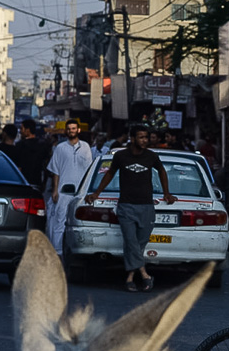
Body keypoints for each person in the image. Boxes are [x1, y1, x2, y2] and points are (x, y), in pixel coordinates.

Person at [85, 125, 176, 291]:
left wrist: (167, 193)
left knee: (139, 243)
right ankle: (145, 275)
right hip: (126, 206)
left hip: (147, 207)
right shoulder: (120, 156)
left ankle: (130, 277)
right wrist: (97, 193)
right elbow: (110, 174)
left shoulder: (151, 156)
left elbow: (162, 171)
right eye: (141, 137)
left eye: (146, 137)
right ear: (132, 139)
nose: (144, 141)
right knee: (131, 241)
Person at [45, 120, 94, 255]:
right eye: (69, 128)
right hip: (63, 192)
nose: (71, 130)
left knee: (79, 223)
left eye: (74, 128)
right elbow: (56, 170)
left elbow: (89, 170)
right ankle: (57, 251)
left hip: (81, 193)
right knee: (59, 221)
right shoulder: (60, 148)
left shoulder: (85, 147)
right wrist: (55, 190)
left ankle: (78, 251)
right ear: (66, 131)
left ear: (78, 130)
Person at [15, 119, 48, 190]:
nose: (20, 131)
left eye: (22, 129)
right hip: (37, 182)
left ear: (28, 130)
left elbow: (18, 167)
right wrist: (44, 182)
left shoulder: (20, 145)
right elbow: (46, 165)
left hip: (24, 182)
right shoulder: (42, 145)